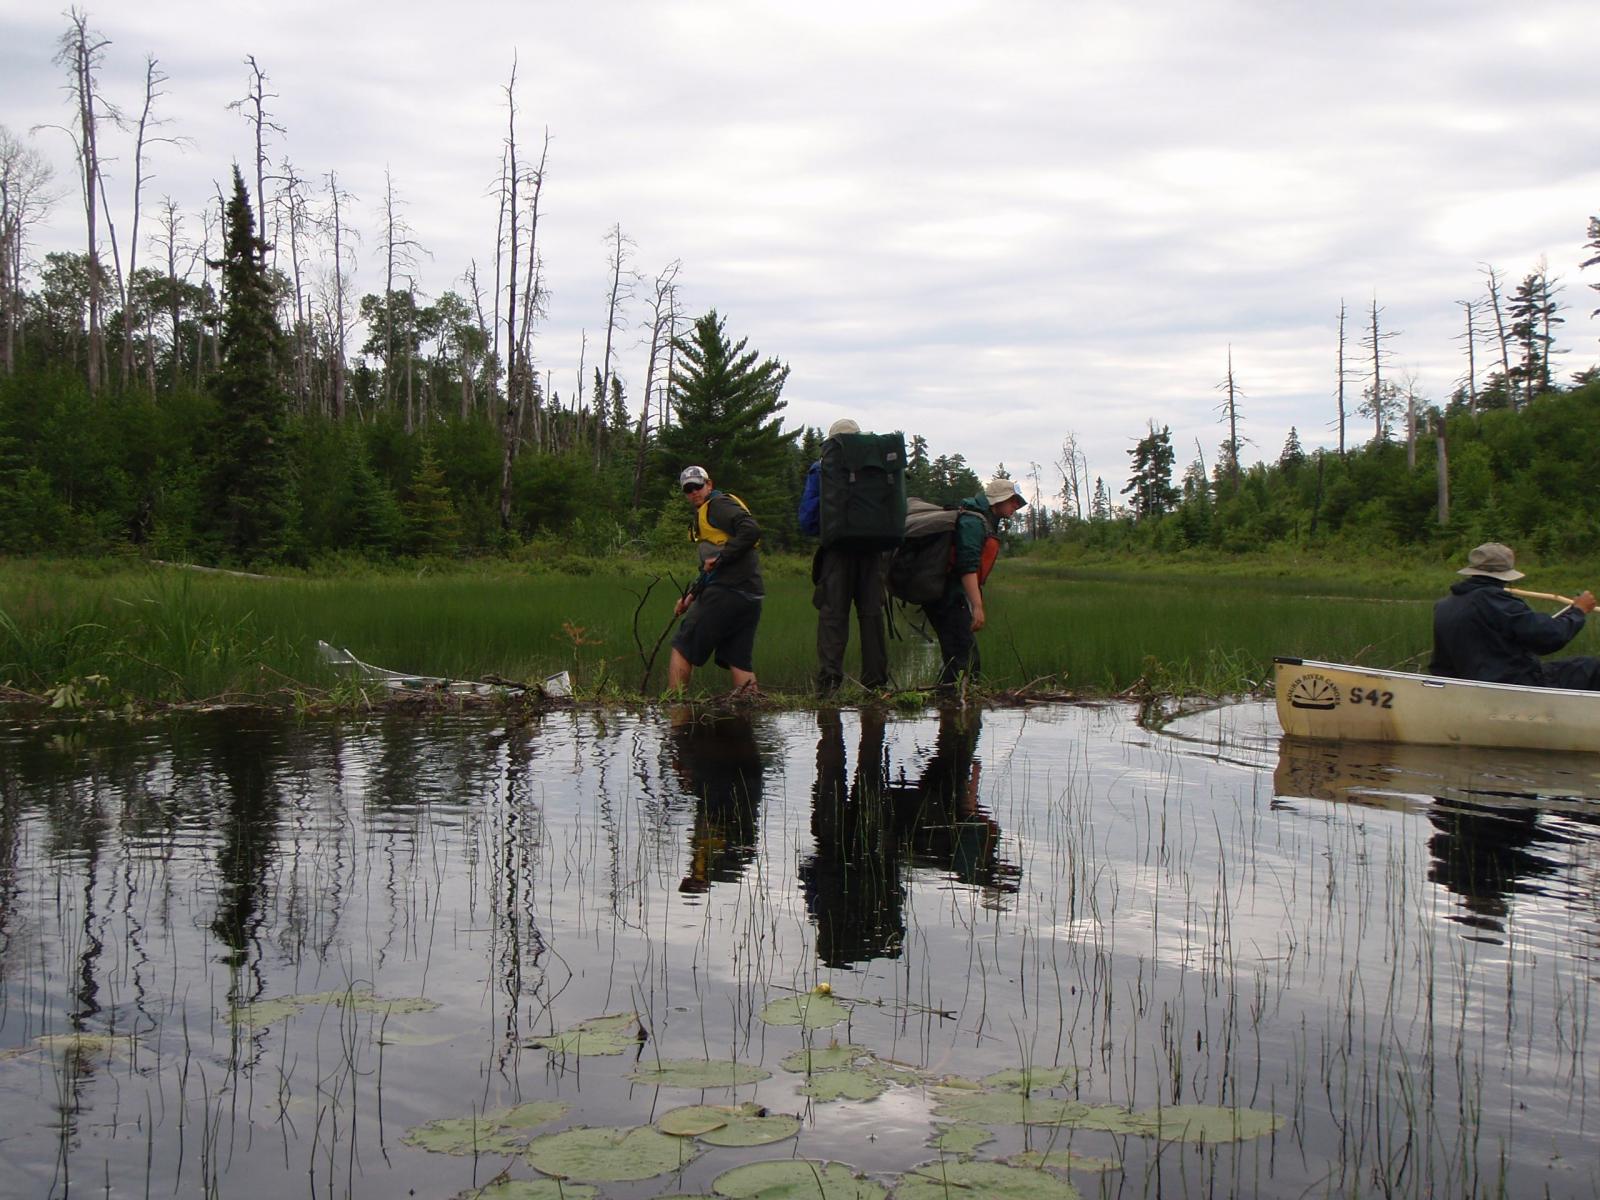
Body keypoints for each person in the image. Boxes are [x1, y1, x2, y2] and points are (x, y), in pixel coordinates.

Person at [1428, 542, 1600, 689]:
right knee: (1592, 667)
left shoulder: (1444, 605)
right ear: (1505, 576)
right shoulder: (1495, 600)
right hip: (1514, 686)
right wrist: (1578, 611)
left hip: (1471, 689)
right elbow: (1548, 638)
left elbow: (1440, 666)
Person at [799, 418, 890, 694]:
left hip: (837, 554)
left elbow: (807, 520)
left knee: (833, 619)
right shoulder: (878, 468)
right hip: (873, 554)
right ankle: (875, 686)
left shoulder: (822, 469)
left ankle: (828, 688)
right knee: (872, 617)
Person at [922, 477, 1026, 689]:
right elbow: (967, 566)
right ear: (998, 500)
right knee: (966, 659)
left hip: (948, 595)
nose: (1016, 506)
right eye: (1013, 500)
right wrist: (977, 607)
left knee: (958, 656)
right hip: (946, 596)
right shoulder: (973, 523)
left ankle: (949, 702)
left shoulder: (981, 520)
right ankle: (957, 704)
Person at [668, 465, 764, 695]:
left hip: (727, 591)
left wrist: (722, 557)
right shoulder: (711, 512)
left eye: (697, 486)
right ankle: (749, 711)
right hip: (750, 594)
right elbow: (710, 567)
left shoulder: (718, 505)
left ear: (709, 485)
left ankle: (674, 707)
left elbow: (751, 530)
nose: (694, 492)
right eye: (688, 489)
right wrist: (690, 596)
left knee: (683, 646)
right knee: (738, 659)